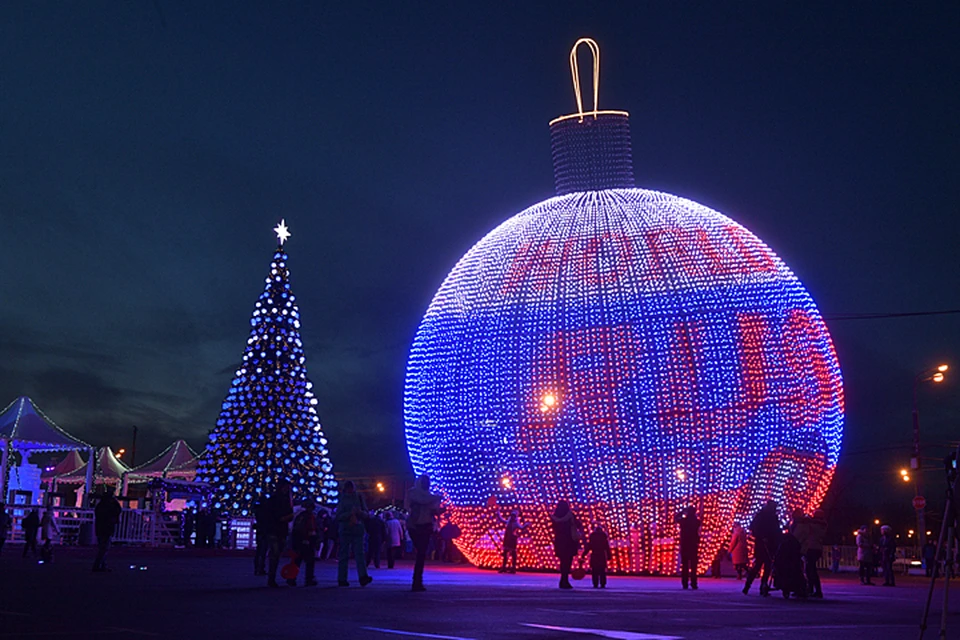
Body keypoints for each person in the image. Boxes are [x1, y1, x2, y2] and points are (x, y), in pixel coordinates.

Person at [405, 474, 444, 591]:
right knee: (421, 552)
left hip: (426, 526)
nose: (427, 484)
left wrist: (439, 510)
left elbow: (433, 508)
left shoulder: (429, 496)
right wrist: (436, 498)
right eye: (425, 482)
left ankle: (417, 580)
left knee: (421, 554)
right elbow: (422, 500)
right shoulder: (413, 493)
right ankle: (417, 581)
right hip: (415, 527)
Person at [335, 481, 373, 588]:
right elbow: (338, 516)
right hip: (347, 530)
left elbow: (366, 514)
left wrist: (359, 512)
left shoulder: (359, 498)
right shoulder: (342, 499)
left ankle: (362, 577)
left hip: (357, 529)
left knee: (359, 554)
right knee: (344, 554)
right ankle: (342, 578)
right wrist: (350, 513)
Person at [743, 500, 780, 596]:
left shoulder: (768, 516)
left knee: (763, 566)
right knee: (760, 565)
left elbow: (776, 531)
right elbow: (754, 528)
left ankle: (759, 586)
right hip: (763, 544)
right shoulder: (764, 516)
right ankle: (750, 585)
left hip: (768, 544)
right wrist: (761, 536)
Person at [264, 479, 294, 587]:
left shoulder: (285, 500)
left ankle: (271, 577)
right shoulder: (276, 500)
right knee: (275, 553)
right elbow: (277, 516)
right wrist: (287, 517)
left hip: (280, 530)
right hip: (275, 529)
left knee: (276, 554)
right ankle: (271, 578)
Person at [795, 508, 826, 598]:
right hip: (816, 548)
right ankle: (812, 588)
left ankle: (813, 589)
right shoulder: (821, 525)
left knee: (810, 569)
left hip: (811, 548)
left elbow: (807, 531)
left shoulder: (815, 525)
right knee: (810, 569)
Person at [550, 500, 580, 589]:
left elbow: (554, 528)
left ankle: (563, 580)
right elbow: (578, 524)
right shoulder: (570, 515)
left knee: (563, 561)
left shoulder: (554, 516)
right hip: (569, 540)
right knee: (568, 561)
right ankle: (565, 580)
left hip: (559, 541)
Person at [289, 497, 319, 587]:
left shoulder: (303, 516)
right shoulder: (307, 516)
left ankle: (293, 578)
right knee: (306, 561)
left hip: (304, 540)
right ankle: (306, 579)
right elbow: (306, 529)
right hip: (305, 541)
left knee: (300, 561)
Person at [93, 490, 122, 572]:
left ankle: (102, 564)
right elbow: (118, 510)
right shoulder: (109, 507)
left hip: (100, 528)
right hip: (106, 528)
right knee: (104, 547)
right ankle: (98, 564)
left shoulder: (100, 506)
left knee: (102, 547)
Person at [676, 506, 701, 590]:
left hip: (685, 544)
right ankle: (694, 583)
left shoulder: (684, 521)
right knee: (694, 566)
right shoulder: (696, 521)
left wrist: (682, 512)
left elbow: (676, 518)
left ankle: (685, 583)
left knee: (685, 565)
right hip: (693, 545)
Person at [581, 522, 612, 588]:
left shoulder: (593, 538)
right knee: (602, 571)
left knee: (594, 571)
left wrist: (584, 554)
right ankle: (603, 583)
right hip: (601, 555)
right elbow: (607, 547)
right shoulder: (604, 538)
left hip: (594, 555)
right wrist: (609, 556)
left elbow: (589, 547)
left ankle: (595, 583)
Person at [252, 499, 268, 576]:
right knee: (262, 551)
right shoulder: (265, 512)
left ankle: (258, 568)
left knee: (259, 550)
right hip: (264, 532)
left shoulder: (258, 511)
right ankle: (260, 568)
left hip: (260, 532)